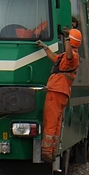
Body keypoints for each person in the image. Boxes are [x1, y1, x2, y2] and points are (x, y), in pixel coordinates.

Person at [36, 27, 82, 165]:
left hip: (56, 91)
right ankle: (52, 150)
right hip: (61, 92)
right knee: (55, 122)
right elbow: (55, 58)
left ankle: (46, 152)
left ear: (71, 41)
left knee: (50, 120)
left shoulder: (72, 56)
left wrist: (67, 38)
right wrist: (45, 48)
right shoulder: (65, 57)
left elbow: (68, 55)